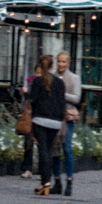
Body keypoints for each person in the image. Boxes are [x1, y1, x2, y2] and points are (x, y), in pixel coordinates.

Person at [26, 54, 66, 196]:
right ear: (52, 66)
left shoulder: (37, 82)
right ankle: (45, 182)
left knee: (42, 149)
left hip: (40, 120)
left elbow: (33, 100)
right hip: (55, 122)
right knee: (48, 149)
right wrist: (60, 120)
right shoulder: (60, 83)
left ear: (40, 66)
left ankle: (45, 182)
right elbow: (62, 103)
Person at [51, 51, 82, 196]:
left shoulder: (74, 78)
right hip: (54, 115)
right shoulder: (52, 77)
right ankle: (57, 181)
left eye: (64, 62)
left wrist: (60, 93)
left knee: (67, 148)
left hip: (67, 116)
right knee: (54, 148)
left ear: (68, 63)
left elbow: (76, 98)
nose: (61, 64)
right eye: (59, 61)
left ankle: (69, 180)